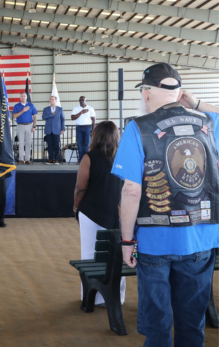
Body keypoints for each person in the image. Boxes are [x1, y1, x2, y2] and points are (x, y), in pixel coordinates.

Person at [111, 63, 219, 346]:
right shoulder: (208, 124)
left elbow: (132, 191)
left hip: (154, 242)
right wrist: (196, 103)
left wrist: (125, 241)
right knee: (192, 326)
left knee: (158, 327)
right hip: (200, 239)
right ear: (179, 92)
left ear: (147, 93)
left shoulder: (137, 127)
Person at [73, 121, 123, 306]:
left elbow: (80, 188)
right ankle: (118, 296)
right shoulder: (123, 157)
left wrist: (75, 208)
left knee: (90, 254)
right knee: (117, 255)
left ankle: (91, 298)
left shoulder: (89, 157)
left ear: (97, 135)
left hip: (92, 212)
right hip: (117, 213)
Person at [12, 92, 38, 164]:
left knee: (28, 143)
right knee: (21, 143)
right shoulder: (16, 106)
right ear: (20, 97)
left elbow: (35, 116)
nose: (23, 97)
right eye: (22, 96)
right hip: (20, 125)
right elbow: (14, 116)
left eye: (24, 96)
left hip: (29, 125)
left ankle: (27, 159)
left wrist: (34, 126)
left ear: (26, 97)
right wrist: (23, 110)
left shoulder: (31, 105)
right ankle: (21, 159)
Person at [71, 96, 96, 163]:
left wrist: (93, 130)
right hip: (79, 127)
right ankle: (81, 160)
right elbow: (72, 117)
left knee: (87, 144)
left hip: (88, 127)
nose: (81, 101)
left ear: (85, 100)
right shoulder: (76, 108)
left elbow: (93, 120)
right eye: (80, 100)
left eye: (83, 100)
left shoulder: (90, 108)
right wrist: (81, 112)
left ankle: (87, 160)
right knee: (79, 144)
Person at [42, 96, 65, 164]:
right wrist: (51, 114)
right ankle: (50, 159)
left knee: (56, 145)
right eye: (50, 99)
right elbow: (43, 117)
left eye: (53, 99)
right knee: (50, 145)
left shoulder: (60, 109)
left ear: (55, 101)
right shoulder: (46, 109)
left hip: (57, 129)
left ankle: (56, 159)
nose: (51, 100)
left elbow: (63, 119)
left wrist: (63, 128)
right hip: (48, 130)